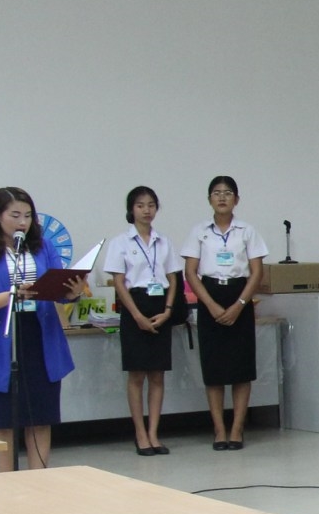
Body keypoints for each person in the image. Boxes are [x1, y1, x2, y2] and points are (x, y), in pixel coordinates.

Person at [0, 187, 80, 472]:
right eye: (15, 215)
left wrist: (73, 292)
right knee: (2, 421)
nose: (22, 222)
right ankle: (5, 485)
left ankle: (39, 481)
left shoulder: (44, 248)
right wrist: (10, 296)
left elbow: (60, 291)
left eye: (27, 216)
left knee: (40, 418)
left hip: (40, 338)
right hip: (1, 341)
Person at [181, 175, 267, 451]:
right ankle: (219, 431)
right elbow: (190, 273)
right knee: (214, 369)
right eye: (216, 193)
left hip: (239, 295)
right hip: (210, 297)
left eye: (228, 193)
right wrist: (210, 305)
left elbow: (257, 272)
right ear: (209, 199)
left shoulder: (247, 231)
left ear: (236, 199)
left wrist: (240, 304)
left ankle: (237, 430)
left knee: (241, 369)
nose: (222, 197)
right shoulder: (199, 231)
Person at [103, 186, 181, 457]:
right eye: (140, 205)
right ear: (131, 209)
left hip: (160, 307)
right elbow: (118, 282)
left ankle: (154, 433)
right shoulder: (120, 242)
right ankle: (140, 434)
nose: (147, 210)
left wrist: (168, 310)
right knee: (136, 375)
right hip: (134, 307)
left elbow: (173, 279)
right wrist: (136, 315)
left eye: (151, 205)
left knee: (157, 375)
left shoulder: (164, 241)